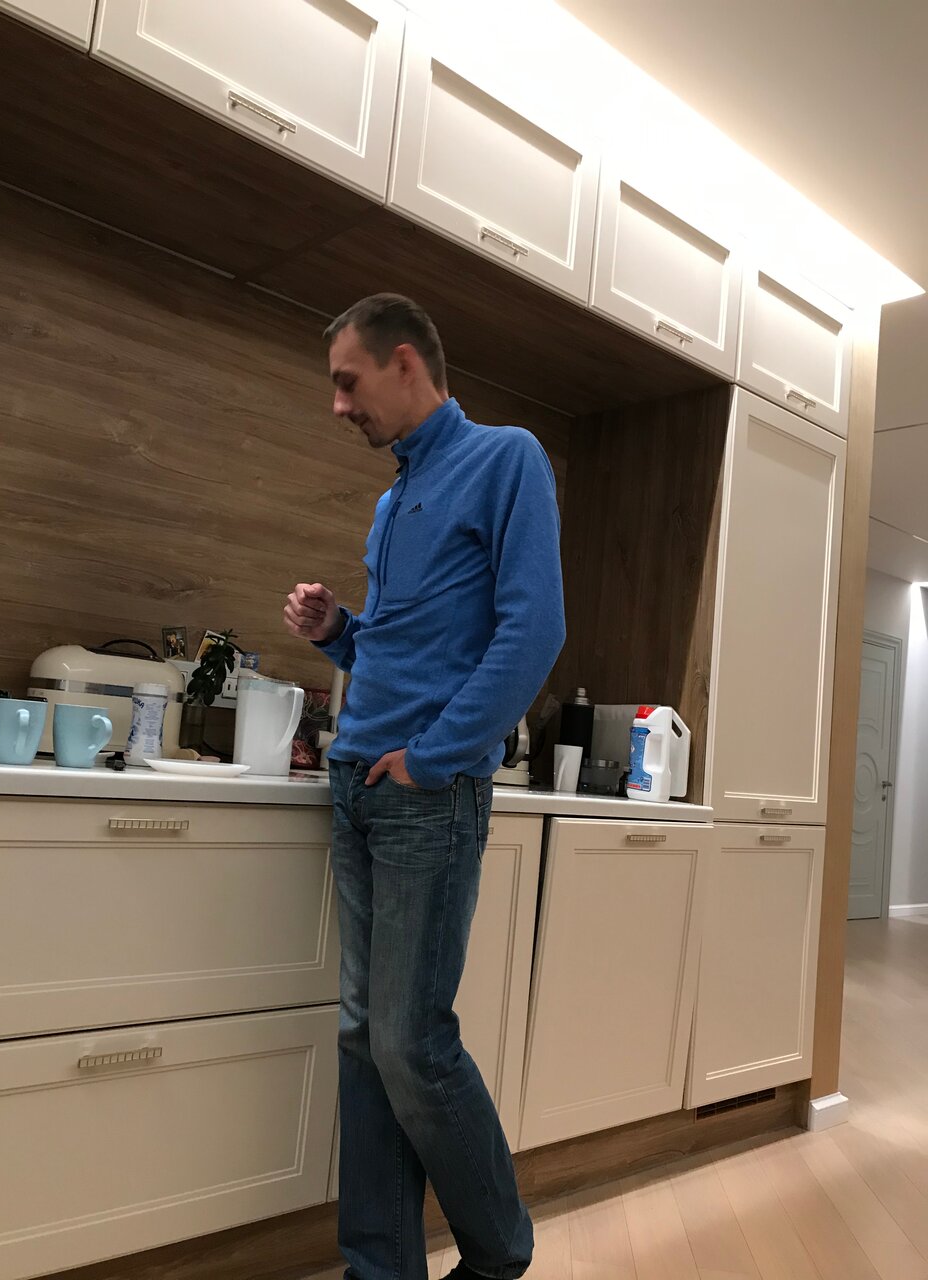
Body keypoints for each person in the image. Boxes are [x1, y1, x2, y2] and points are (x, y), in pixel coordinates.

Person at [283, 294, 565, 1280]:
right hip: (358, 782)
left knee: (412, 1045)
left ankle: (499, 1256)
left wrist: (437, 756)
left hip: (423, 793)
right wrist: (339, 631)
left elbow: (534, 629)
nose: (337, 405)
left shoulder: (506, 457)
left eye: (347, 382)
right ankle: (380, 1269)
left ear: (406, 363)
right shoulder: (392, 498)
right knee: (367, 1040)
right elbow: (405, 646)